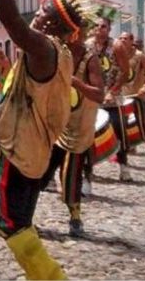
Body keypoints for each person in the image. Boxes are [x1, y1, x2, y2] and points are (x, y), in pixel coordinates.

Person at [0, 0, 87, 280]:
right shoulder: (60, 54)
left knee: (10, 222)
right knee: (21, 221)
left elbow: (9, 18)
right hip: (35, 152)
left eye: (41, 12)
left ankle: (50, 276)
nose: (35, 15)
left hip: (22, 152)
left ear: (50, 22)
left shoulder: (44, 49)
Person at [38, 21, 104, 238]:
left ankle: (75, 217)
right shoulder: (59, 55)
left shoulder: (90, 60)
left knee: (70, 175)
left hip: (78, 129)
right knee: (38, 172)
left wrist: (78, 84)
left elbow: (99, 94)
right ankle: (23, 215)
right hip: (56, 124)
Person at [86, 15, 132, 181]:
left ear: (109, 28)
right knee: (88, 132)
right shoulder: (87, 46)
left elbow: (125, 71)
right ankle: (88, 168)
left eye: (103, 26)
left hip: (113, 95)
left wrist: (113, 90)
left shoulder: (117, 46)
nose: (99, 29)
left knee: (118, 128)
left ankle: (123, 165)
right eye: (97, 26)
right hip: (93, 95)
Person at [116, 32, 145, 170]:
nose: (123, 41)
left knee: (144, 127)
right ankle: (119, 155)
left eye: (125, 39)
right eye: (121, 39)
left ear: (131, 41)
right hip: (120, 97)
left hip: (136, 96)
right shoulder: (116, 55)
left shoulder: (139, 56)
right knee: (119, 127)